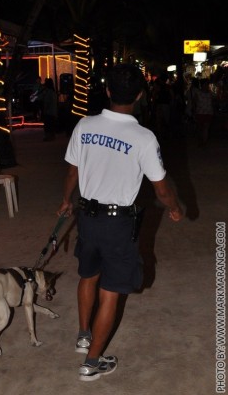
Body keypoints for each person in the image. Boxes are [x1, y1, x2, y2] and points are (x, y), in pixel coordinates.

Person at [57, 64, 183, 382]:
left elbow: (72, 171)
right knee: (110, 292)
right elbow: (161, 187)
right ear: (140, 95)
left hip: (86, 216)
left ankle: (84, 334)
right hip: (117, 224)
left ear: (108, 91)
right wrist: (175, 206)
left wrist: (65, 200)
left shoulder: (84, 126)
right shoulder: (142, 137)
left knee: (88, 275)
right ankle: (92, 363)